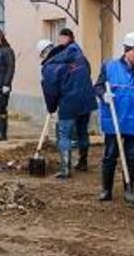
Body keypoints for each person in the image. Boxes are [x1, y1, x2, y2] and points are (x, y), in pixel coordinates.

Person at [94, 32, 134, 201]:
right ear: (126, 51)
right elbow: (98, 86)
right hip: (114, 119)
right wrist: (103, 95)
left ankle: (129, 189)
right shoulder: (110, 67)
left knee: (131, 157)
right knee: (110, 155)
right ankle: (106, 190)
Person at [40, 28, 97, 179]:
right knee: (82, 131)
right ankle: (83, 162)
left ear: (45, 54)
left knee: (64, 135)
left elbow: (50, 90)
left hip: (68, 103)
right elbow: (88, 73)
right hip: (86, 99)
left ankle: (65, 169)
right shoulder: (80, 56)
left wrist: (51, 107)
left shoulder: (50, 67)